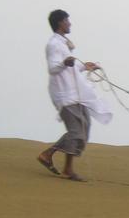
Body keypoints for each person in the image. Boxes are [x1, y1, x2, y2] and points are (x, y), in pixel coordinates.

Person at [36, 9, 112, 181]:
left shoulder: (63, 44)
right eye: (67, 21)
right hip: (64, 94)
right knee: (76, 131)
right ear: (60, 23)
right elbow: (53, 68)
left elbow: (70, 68)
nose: (69, 23)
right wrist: (64, 62)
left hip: (75, 92)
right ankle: (51, 156)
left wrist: (86, 67)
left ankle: (64, 166)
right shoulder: (54, 44)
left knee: (84, 128)